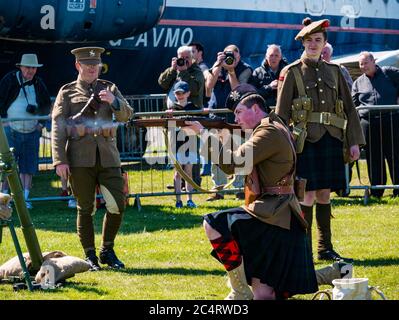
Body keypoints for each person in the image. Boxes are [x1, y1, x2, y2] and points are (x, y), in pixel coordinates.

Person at [184, 83, 318, 300]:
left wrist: (203, 134)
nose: (235, 119)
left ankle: (239, 292)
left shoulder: (269, 132)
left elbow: (232, 162)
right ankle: (336, 273)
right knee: (264, 296)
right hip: (280, 219)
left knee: (213, 223)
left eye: (238, 112)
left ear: (255, 109)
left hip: (275, 218)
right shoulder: (272, 127)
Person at [275, 18, 365, 262]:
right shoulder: (291, 72)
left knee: (325, 193)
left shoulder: (335, 72)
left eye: (318, 40)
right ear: (303, 43)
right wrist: (281, 147)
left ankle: (325, 248)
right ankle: (303, 249)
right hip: (305, 142)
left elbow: (349, 108)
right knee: (307, 195)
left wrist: (354, 141)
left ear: (325, 43)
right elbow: (281, 114)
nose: (313, 44)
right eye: (309, 41)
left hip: (331, 140)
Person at [51, 47, 134, 271]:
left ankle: (107, 250)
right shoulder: (67, 92)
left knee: (117, 205)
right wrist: (59, 160)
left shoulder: (110, 88)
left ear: (99, 66)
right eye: (86, 66)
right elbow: (58, 128)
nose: (91, 69)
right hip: (79, 159)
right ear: (78, 66)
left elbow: (127, 115)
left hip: (108, 157)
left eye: (94, 66)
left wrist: (114, 102)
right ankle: (90, 255)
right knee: (85, 208)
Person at [0, 53, 52, 209]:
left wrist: (41, 125)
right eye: (27, 67)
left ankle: (24, 199)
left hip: (31, 131)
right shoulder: (9, 79)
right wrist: (4, 122)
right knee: (7, 166)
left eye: (33, 68)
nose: (30, 71)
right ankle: (3, 200)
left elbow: (45, 105)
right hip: (10, 129)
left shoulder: (39, 83)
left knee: (28, 166)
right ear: (21, 67)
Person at [205, 44, 252, 201]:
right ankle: (218, 189)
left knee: (239, 152)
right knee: (216, 153)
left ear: (239, 56)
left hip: (236, 118)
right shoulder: (218, 65)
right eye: (227, 54)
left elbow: (237, 92)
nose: (231, 58)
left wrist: (231, 70)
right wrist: (218, 66)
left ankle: (239, 188)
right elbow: (208, 88)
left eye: (234, 55)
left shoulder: (245, 69)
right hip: (216, 117)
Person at [352, 51, 399, 198]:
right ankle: (376, 192)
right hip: (369, 123)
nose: (363, 66)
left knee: (395, 155)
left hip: (391, 119)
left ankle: (397, 190)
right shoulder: (357, 82)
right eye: (361, 64)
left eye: (366, 63)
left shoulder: (389, 73)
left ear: (374, 61)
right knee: (374, 158)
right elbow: (354, 104)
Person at [322, 42, 355, 197]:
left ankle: (343, 187)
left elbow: (349, 92)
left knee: (344, 155)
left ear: (331, 54)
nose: (323, 54)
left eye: (325, 52)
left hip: (339, 120)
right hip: (319, 125)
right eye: (321, 52)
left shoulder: (340, 70)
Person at [168, 81, 199, 208]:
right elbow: (168, 125)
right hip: (177, 144)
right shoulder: (172, 109)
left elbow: (203, 118)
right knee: (178, 173)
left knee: (189, 171)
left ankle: (189, 199)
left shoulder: (194, 108)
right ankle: (178, 200)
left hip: (190, 143)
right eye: (177, 93)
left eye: (182, 93)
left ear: (188, 94)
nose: (180, 95)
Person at [249, 44, 288, 111]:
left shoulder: (288, 71)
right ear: (266, 57)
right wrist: (269, 87)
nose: (274, 58)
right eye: (271, 55)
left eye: (276, 55)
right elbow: (252, 95)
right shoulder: (257, 72)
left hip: (284, 111)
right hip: (264, 112)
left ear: (280, 57)